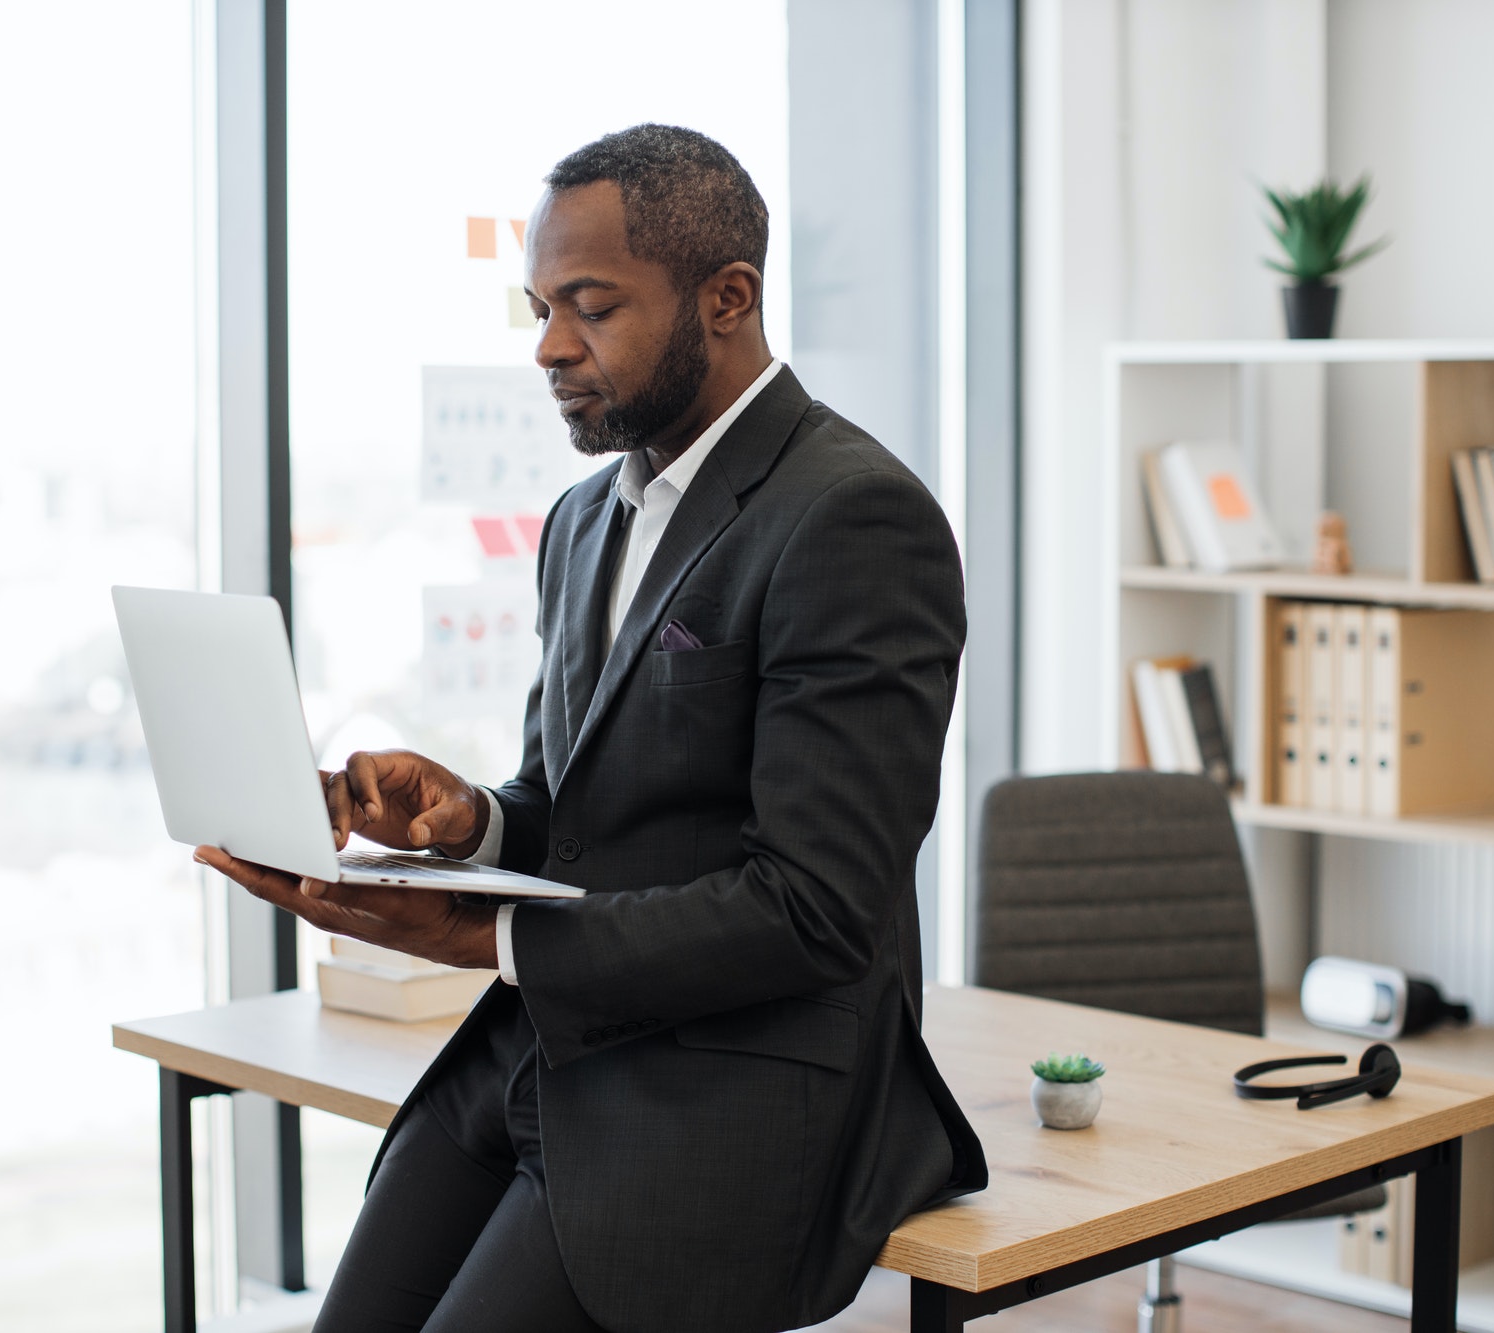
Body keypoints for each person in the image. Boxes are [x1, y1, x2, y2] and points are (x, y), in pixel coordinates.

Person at [196, 123, 985, 1333]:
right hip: (546, 1049)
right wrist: (470, 823)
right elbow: (577, 818)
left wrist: (483, 938)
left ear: (728, 299)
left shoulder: (853, 519)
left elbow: (815, 910)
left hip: (727, 1088)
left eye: (590, 307)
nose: (550, 348)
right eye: (539, 308)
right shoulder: (583, 520)